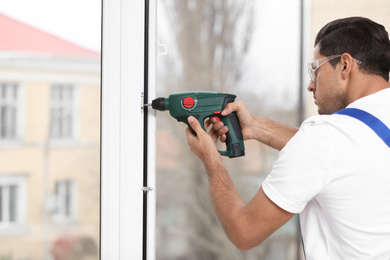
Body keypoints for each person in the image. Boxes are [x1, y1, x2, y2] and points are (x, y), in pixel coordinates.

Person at [184, 17, 390, 259]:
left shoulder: (325, 137)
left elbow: (244, 231)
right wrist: (256, 128)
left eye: (315, 69)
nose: (311, 85)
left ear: (345, 65)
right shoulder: (346, 137)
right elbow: (345, 151)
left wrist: (210, 159)